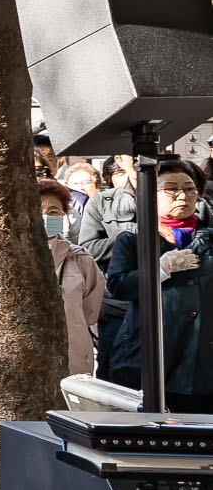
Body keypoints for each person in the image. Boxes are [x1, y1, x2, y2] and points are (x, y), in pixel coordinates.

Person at [104, 159, 212, 410]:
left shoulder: (208, 236)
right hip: (150, 353)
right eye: (171, 189)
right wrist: (161, 269)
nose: (182, 196)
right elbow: (119, 286)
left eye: (189, 189)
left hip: (202, 358)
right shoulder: (133, 238)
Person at [36, 177, 105, 379]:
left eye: (54, 212)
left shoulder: (79, 258)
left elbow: (90, 312)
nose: (46, 217)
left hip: (72, 360)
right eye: (37, 211)